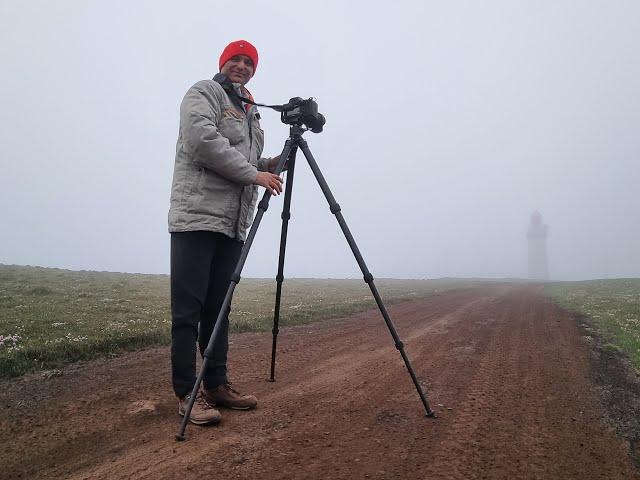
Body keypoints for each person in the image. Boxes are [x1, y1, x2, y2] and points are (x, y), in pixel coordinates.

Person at [168, 40, 283, 425]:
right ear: (223, 62)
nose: (242, 66)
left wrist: (275, 161)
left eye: (249, 62)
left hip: (233, 224)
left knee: (220, 310)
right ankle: (187, 392)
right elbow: (203, 142)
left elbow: (250, 161)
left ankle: (216, 383)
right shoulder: (205, 92)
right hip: (197, 217)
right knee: (189, 311)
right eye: (236, 59)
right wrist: (255, 174)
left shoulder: (251, 111)